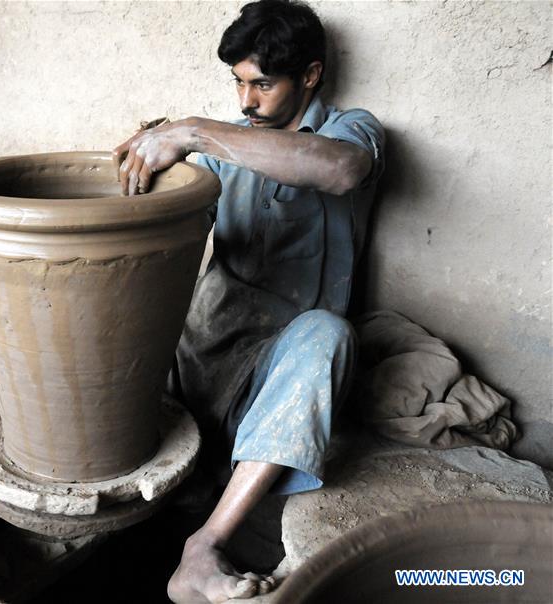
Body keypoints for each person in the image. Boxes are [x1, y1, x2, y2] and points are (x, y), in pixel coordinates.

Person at [112, 1, 385, 602]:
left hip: (282, 369)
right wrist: (146, 160)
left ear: (310, 75)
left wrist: (193, 130)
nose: (245, 102)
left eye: (262, 84)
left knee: (330, 333)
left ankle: (201, 549)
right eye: (237, 82)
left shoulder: (350, 130)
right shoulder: (218, 149)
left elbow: (339, 172)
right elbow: (147, 234)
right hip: (202, 356)